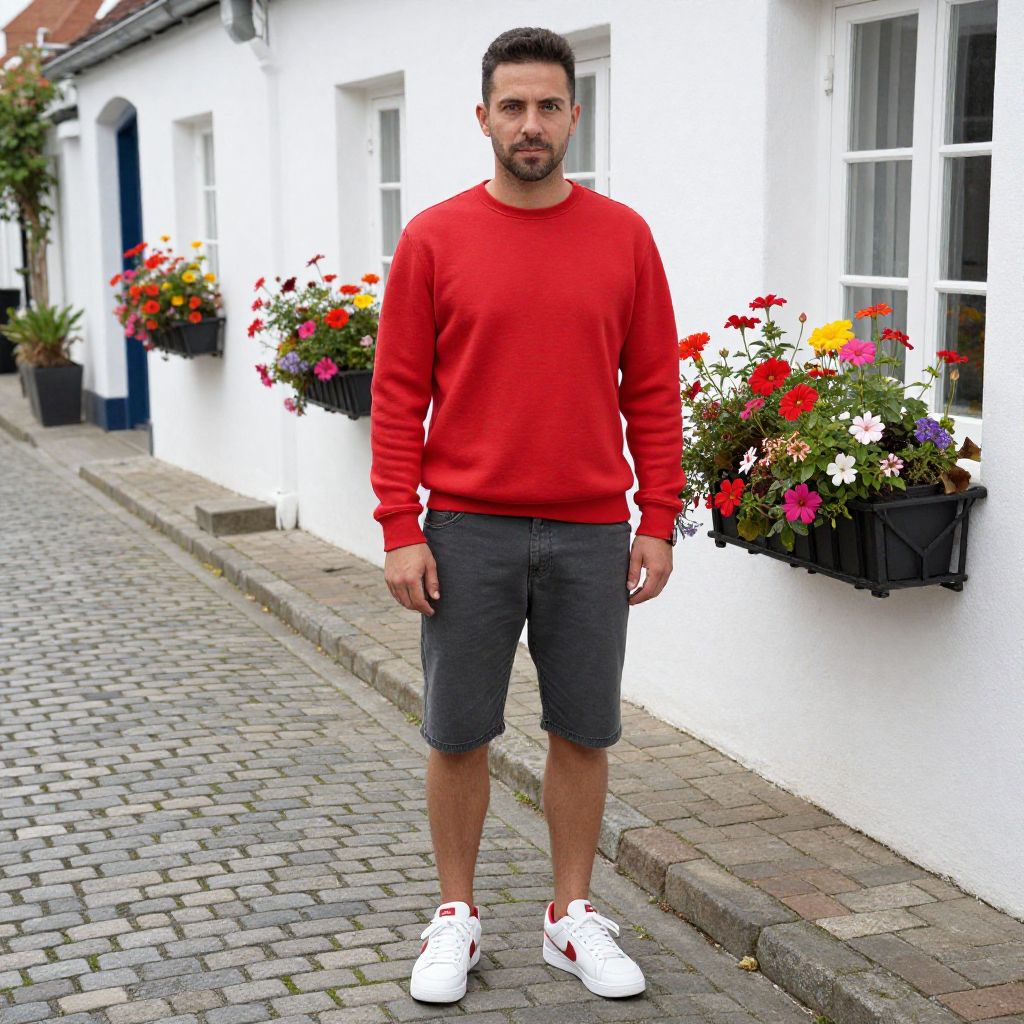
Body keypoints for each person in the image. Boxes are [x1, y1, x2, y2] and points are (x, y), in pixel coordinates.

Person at [369, 25, 685, 1005]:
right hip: (464, 529)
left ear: (575, 115)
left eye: (549, 104)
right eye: (513, 105)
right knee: (457, 731)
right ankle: (456, 917)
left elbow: (655, 390)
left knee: (582, 729)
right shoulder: (433, 238)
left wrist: (659, 515)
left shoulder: (624, 236)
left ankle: (569, 915)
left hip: (593, 531)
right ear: (482, 118)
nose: (531, 122)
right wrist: (399, 524)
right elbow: (397, 392)